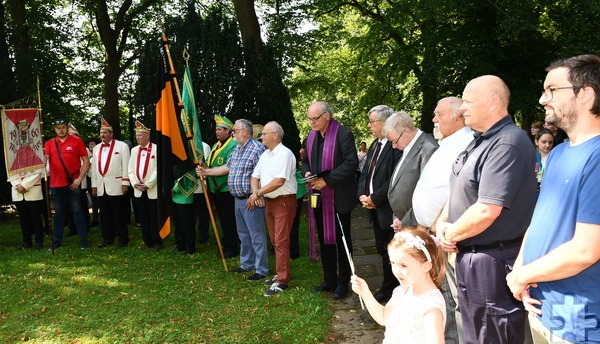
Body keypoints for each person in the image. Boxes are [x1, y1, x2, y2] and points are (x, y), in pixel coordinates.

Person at [435, 75, 537, 344]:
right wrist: (443, 224)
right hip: (472, 257)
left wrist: (448, 234)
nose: (462, 108)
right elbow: (460, 189)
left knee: (491, 336)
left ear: (493, 102)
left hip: (493, 263)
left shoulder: (508, 142)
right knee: (474, 334)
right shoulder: (480, 139)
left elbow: (487, 209)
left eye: (467, 101)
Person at [506, 54, 600, 343]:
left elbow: (587, 249)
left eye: (552, 90)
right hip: (541, 308)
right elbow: (540, 222)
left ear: (585, 94)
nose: (542, 99)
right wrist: (519, 271)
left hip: (579, 320)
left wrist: (522, 276)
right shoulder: (558, 153)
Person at [197, 119, 267, 279]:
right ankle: (247, 264)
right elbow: (227, 168)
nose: (233, 132)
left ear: (245, 131)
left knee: (256, 235)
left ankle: (261, 269)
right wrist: (206, 172)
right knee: (243, 234)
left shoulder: (257, 149)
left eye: (234, 130)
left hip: (251, 198)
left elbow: (264, 173)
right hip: (237, 198)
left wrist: (258, 194)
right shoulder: (237, 149)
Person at [302, 101, 358, 300]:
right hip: (318, 197)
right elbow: (306, 160)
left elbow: (351, 163)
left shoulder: (343, 134)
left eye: (314, 118)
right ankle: (329, 279)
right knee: (325, 240)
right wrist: (307, 171)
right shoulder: (311, 137)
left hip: (339, 196)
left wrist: (326, 180)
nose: (311, 123)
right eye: (309, 119)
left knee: (341, 241)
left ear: (327, 116)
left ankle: (344, 282)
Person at [351, 228, 446, 344]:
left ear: (426, 266)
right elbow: (383, 317)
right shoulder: (402, 290)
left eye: (403, 265)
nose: (396, 271)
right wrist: (365, 292)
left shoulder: (431, 307)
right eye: (393, 263)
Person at [357, 105, 402, 303]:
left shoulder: (396, 146)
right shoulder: (375, 145)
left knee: (393, 251)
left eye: (372, 121)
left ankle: (393, 288)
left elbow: (394, 179)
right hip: (373, 207)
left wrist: (375, 198)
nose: (369, 125)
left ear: (385, 122)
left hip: (389, 209)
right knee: (382, 249)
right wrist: (362, 195)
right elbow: (365, 173)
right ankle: (388, 284)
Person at [248, 121, 297, 296]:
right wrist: (257, 193)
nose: (261, 136)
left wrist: (257, 194)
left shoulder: (285, 154)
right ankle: (281, 274)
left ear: (275, 135)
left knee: (281, 241)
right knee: (276, 241)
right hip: (269, 201)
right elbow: (255, 176)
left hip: (283, 202)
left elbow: (279, 181)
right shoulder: (265, 155)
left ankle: (282, 280)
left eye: (264, 133)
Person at [384, 111, 438, 231]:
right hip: (403, 222)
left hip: (417, 226)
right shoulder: (407, 147)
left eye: (395, 141)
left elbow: (429, 195)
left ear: (407, 131)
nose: (393, 146)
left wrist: (406, 221)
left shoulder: (429, 148)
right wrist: (397, 217)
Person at [44, 118, 90, 249]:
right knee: (58, 213)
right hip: (56, 183)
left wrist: (79, 179)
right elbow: (45, 162)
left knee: (77, 210)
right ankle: (57, 240)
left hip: (73, 182)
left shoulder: (76, 141)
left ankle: (83, 238)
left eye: (63, 127)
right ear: (54, 129)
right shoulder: (49, 143)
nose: (61, 130)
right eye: (58, 128)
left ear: (67, 128)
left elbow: (86, 162)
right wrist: (43, 160)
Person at [91, 117, 131, 248]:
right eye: (101, 133)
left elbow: (126, 165)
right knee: (105, 214)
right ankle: (107, 238)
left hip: (117, 185)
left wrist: (125, 182)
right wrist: (94, 185)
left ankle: (123, 238)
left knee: (119, 213)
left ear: (111, 134)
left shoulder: (122, 146)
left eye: (105, 132)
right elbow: (94, 168)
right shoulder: (96, 148)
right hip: (102, 186)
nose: (102, 135)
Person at [203, 115, 239, 258]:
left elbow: (228, 167)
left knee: (229, 219)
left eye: (219, 129)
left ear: (228, 131)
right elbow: (210, 162)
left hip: (226, 189)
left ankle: (232, 247)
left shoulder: (233, 146)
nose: (216, 132)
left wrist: (207, 171)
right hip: (215, 189)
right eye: (216, 129)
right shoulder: (216, 145)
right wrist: (203, 166)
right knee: (223, 218)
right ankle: (226, 242)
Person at [128, 121, 161, 250]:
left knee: (154, 216)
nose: (137, 138)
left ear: (147, 136)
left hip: (152, 188)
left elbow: (158, 169)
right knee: (143, 216)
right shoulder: (134, 150)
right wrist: (135, 183)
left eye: (140, 135)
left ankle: (157, 241)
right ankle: (147, 241)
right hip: (138, 189)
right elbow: (130, 169)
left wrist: (148, 184)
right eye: (136, 135)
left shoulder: (156, 148)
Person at [10, 173, 44, 249]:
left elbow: (37, 172)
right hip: (18, 192)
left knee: (36, 218)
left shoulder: (35, 160)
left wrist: (24, 185)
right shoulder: (12, 160)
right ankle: (27, 241)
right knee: (23, 219)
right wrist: (18, 185)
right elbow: (10, 173)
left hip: (33, 190)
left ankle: (39, 242)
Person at [193, 141, 212, 244]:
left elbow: (207, 165)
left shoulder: (204, 146)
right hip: (187, 186)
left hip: (200, 185)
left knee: (202, 212)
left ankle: (203, 235)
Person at [87, 138, 100, 227]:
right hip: (89, 179)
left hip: (97, 179)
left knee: (99, 199)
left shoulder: (98, 155)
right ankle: (95, 218)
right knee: (93, 200)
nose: (91, 146)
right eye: (90, 144)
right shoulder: (87, 155)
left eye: (93, 144)